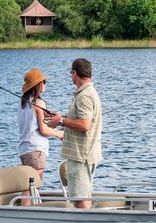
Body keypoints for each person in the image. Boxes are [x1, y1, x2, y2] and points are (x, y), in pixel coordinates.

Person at [47, 58, 102, 209]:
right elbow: (82, 121)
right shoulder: (88, 92)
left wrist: (62, 121)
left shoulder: (84, 96)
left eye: (71, 72)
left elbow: (84, 125)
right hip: (85, 153)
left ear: (75, 73)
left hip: (81, 156)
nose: (71, 76)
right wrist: (60, 119)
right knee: (83, 194)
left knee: (80, 197)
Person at [18, 69, 64, 204]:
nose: (45, 84)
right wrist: (59, 134)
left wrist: (54, 119)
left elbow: (36, 123)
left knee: (28, 186)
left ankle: (24, 213)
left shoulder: (23, 103)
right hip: (36, 151)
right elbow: (43, 130)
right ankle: (28, 215)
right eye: (43, 82)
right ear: (38, 85)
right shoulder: (39, 103)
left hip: (24, 150)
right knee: (34, 187)